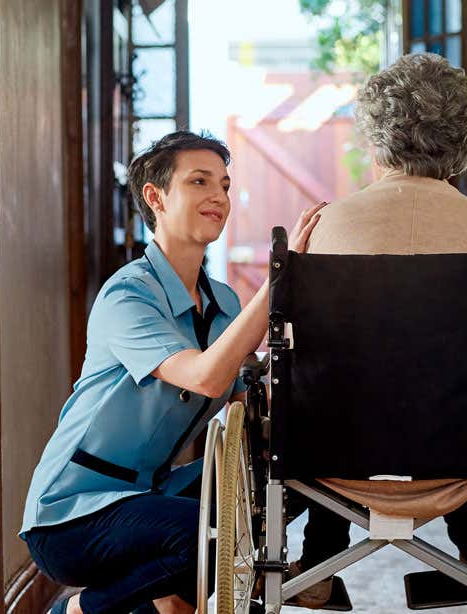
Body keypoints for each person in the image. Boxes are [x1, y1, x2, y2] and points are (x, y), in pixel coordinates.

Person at [19, 131, 325, 614]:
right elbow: (204, 376)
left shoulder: (223, 301)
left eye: (224, 185)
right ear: (155, 197)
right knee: (202, 532)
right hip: (71, 514)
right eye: (199, 182)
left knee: (288, 474)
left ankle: (168, 602)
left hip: (149, 493)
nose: (218, 197)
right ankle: (80, 610)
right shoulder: (127, 297)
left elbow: (245, 394)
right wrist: (276, 284)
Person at [301, 52, 467, 600]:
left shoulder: (328, 224)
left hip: (334, 456)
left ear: (377, 136)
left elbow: (302, 345)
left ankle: (315, 561)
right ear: (464, 139)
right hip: (462, 455)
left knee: (317, 385)